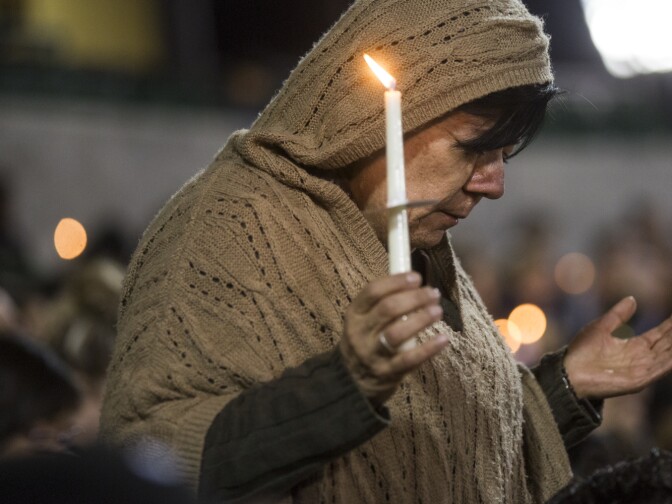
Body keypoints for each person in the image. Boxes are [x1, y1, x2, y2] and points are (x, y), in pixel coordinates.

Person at [100, 0, 672, 502]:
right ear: (372, 121)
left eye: (507, 153)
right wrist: (343, 386)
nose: (494, 184)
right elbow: (147, 454)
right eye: (476, 148)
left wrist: (568, 385)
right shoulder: (227, 228)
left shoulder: (412, 240)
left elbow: (449, 447)